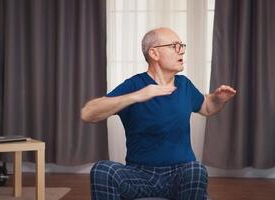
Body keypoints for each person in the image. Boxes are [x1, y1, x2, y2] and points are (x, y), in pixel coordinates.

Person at [81, 27, 236, 200]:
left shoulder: (184, 85)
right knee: (102, 170)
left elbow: (206, 107)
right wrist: (138, 96)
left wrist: (217, 99)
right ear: (154, 53)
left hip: (179, 174)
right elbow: (88, 113)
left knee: (196, 169)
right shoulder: (134, 85)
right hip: (139, 175)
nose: (181, 51)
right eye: (174, 46)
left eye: (182, 46)